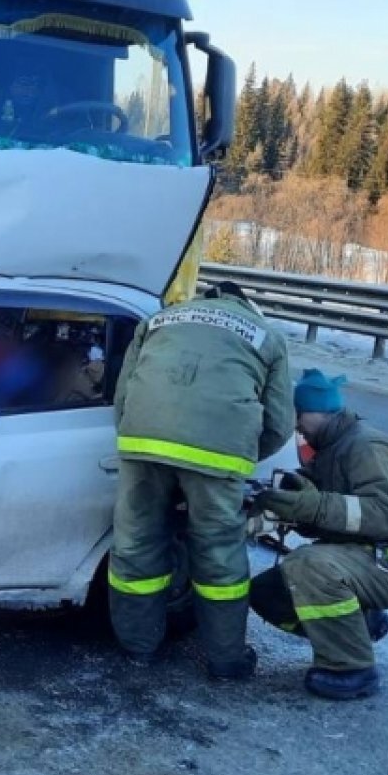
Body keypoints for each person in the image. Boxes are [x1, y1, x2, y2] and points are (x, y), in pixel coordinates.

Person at [110, 281, 293, 679]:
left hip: (143, 441)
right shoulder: (267, 337)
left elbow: (123, 396)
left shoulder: (159, 320)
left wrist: (138, 441)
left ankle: (138, 649)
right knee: (219, 558)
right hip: (220, 453)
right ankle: (226, 662)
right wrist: (236, 458)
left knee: (136, 546)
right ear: (246, 305)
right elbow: (279, 425)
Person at [250, 369, 388, 700]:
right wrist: (289, 506)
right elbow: (328, 515)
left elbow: (385, 516)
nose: (296, 426)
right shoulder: (331, 448)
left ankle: (352, 668)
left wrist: (313, 506)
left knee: (307, 565)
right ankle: (360, 624)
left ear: (317, 412)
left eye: (298, 416)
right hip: (357, 557)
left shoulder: (366, 446)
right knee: (265, 593)